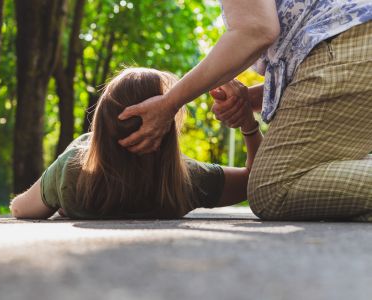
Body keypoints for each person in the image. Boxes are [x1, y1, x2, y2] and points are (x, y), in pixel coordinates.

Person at [116, 1, 372, 221]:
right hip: (356, 44)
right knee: (327, 179)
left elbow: (255, 30)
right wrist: (249, 102)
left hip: (351, 47)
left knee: (272, 190)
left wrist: (170, 103)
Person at [10, 68, 262, 219]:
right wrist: (248, 126)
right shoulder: (186, 180)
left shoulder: (72, 171)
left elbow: (20, 209)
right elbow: (256, 181)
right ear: (166, 132)